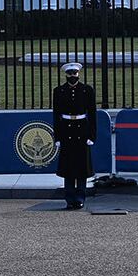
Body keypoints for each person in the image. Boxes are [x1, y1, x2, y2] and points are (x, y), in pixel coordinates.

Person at [52, 61, 96, 209]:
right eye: (70, 74)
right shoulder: (59, 91)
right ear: (66, 75)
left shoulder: (87, 90)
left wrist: (91, 136)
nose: (72, 76)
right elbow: (56, 115)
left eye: (75, 73)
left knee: (82, 166)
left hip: (81, 130)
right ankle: (70, 198)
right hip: (66, 130)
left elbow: (93, 114)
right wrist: (57, 137)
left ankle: (80, 196)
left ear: (78, 74)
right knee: (68, 166)